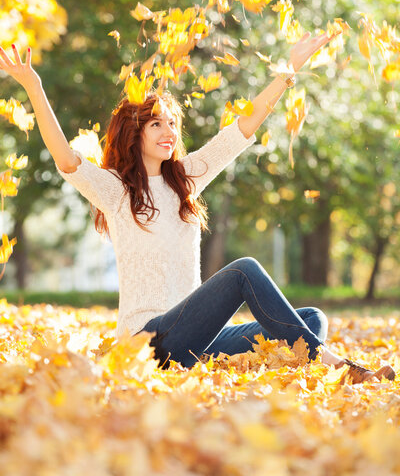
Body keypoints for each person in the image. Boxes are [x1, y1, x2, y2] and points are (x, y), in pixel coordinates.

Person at [0, 38, 395, 384]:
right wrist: (33, 85)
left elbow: (240, 130)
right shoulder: (117, 190)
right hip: (149, 341)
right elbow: (67, 159)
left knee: (310, 320)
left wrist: (288, 69)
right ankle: (340, 367)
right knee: (244, 271)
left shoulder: (183, 180)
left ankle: (215, 360)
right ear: (134, 132)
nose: (169, 131)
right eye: (157, 124)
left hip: (196, 338)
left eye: (173, 122)